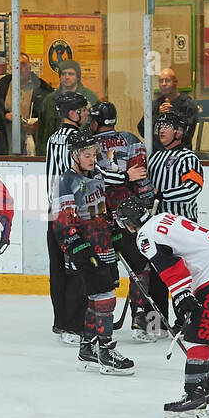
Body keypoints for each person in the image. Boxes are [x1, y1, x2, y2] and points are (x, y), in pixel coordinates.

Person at [116, 199, 209, 418]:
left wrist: (182, 296)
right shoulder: (163, 218)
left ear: (129, 224)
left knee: (197, 337)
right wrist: (183, 298)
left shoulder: (144, 236)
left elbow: (171, 267)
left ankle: (194, 397)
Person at [53, 131, 134, 376]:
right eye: (86, 155)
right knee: (105, 297)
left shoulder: (97, 174)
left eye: (93, 154)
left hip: (103, 243)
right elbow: (63, 221)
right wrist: (77, 247)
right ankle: (106, 351)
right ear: (74, 155)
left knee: (97, 298)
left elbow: (102, 209)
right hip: (86, 247)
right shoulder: (65, 180)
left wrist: (114, 233)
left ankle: (87, 348)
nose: (92, 158)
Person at [89, 101, 161, 341]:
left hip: (97, 216)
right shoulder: (131, 140)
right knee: (141, 267)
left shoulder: (88, 144)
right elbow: (141, 181)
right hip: (128, 215)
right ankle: (143, 321)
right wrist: (148, 203)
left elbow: (88, 178)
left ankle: (91, 327)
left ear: (95, 121)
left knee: (96, 270)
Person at [145, 110, 204, 325]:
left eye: (167, 125)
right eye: (160, 125)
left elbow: (193, 189)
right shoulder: (154, 158)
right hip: (157, 229)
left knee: (184, 276)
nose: (161, 129)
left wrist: (162, 195)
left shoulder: (188, 158)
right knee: (158, 276)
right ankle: (156, 324)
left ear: (179, 131)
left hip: (183, 228)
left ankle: (186, 320)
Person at [45, 89, 91, 343]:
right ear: (73, 113)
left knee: (58, 269)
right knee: (78, 267)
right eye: (83, 109)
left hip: (52, 211)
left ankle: (60, 322)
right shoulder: (80, 140)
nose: (86, 112)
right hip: (73, 212)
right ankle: (74, 326)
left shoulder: (53, 138)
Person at [0, 54, 53, 155]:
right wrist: (5, 116)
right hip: (6, 149)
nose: (18, 68)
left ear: (29, 67)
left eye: (22, 64)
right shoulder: (3, 88)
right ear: (11, 69)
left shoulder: (42, 89)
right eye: (15, 64)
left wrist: (37, 127)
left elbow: (52, 121)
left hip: (34, 150)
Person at [35, 61, 98, 150]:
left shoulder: (90, 98)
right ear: (60, 77)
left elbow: (97, 128)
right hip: (54, 151)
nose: (67, 77)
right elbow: (41, 133)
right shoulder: (49, 100)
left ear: (78, 77)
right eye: (63, 74)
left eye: (71, 74)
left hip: (83, 153)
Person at [136, 68, 199, 144]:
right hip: (158, 152)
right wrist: (158, 115)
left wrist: (173, 114)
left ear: (175, 82)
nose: (164, 84)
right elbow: (142, 131)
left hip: (180, 152)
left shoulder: (188, 104)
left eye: (167, 80)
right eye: (161, 81)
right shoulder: (154, 105)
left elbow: (187, 133)